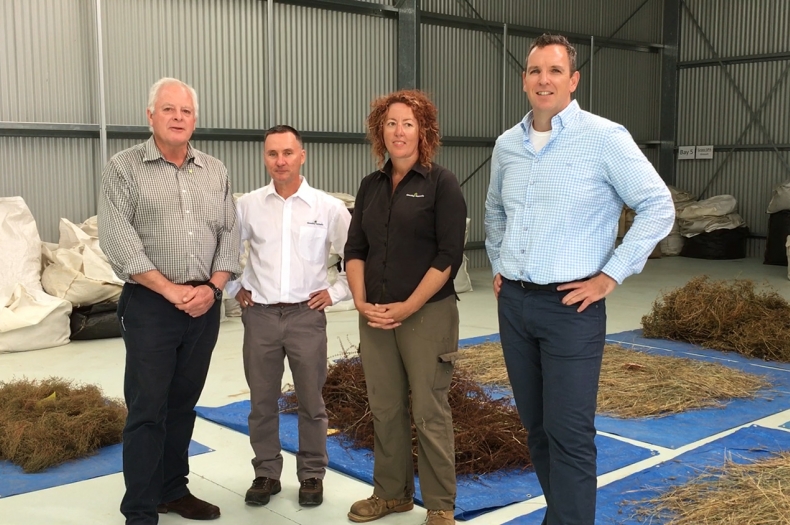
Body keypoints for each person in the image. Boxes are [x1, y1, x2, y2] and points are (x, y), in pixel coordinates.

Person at [484, 34, 675, 525]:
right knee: (537, 429)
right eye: (534, 71)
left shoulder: (604, 137)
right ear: (524, 80)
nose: (543, 80)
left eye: (553, 71)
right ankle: (562, 515)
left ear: (573, 80)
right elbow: (495, 212)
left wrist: (610, 275)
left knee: (569, 431)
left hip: (573, 307)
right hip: (516, 305)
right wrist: (500, 263)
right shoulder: (508, 144)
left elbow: (658, 206)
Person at [98, 77, 241, 525]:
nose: (178, 118)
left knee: (182, 403)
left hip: (204, 304)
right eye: (168, 110)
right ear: (151, 116)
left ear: (194, 120)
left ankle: (172, 489)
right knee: (147, 408)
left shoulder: (215, 171)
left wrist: (212, 290)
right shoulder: (123, 169)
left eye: (186, 111)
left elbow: (230, 236)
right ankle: (140, 508)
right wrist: (170, 289)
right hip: (151, 306)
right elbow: (119, 241)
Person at [344, 90, 467, 525]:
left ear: (424, 131)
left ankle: (439, 506)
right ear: (381, 130)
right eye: (391, 123)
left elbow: (448, 256)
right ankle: (392, 493)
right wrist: (361, 302)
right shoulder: (370, 186)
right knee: (385, 406)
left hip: (427, 315)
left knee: (429, 410)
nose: (399, 131)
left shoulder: (441, 183)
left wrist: (408, 306)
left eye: (408, 123)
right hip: (375, 316)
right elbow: (354, 249)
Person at [225, 125, 352, 509]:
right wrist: (234, 288)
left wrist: (336, 291)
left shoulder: (327, 208)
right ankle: (266, 472)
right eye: (272, 154)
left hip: (305, 317)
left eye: (287, 153)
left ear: (302, 155)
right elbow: (225, 250)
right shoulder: (247, 205)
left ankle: (312, 473)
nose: (280, 161)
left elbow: (356, 256)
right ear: (265, 158)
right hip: (259, 316)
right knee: (261, 400)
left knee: (311, 401)